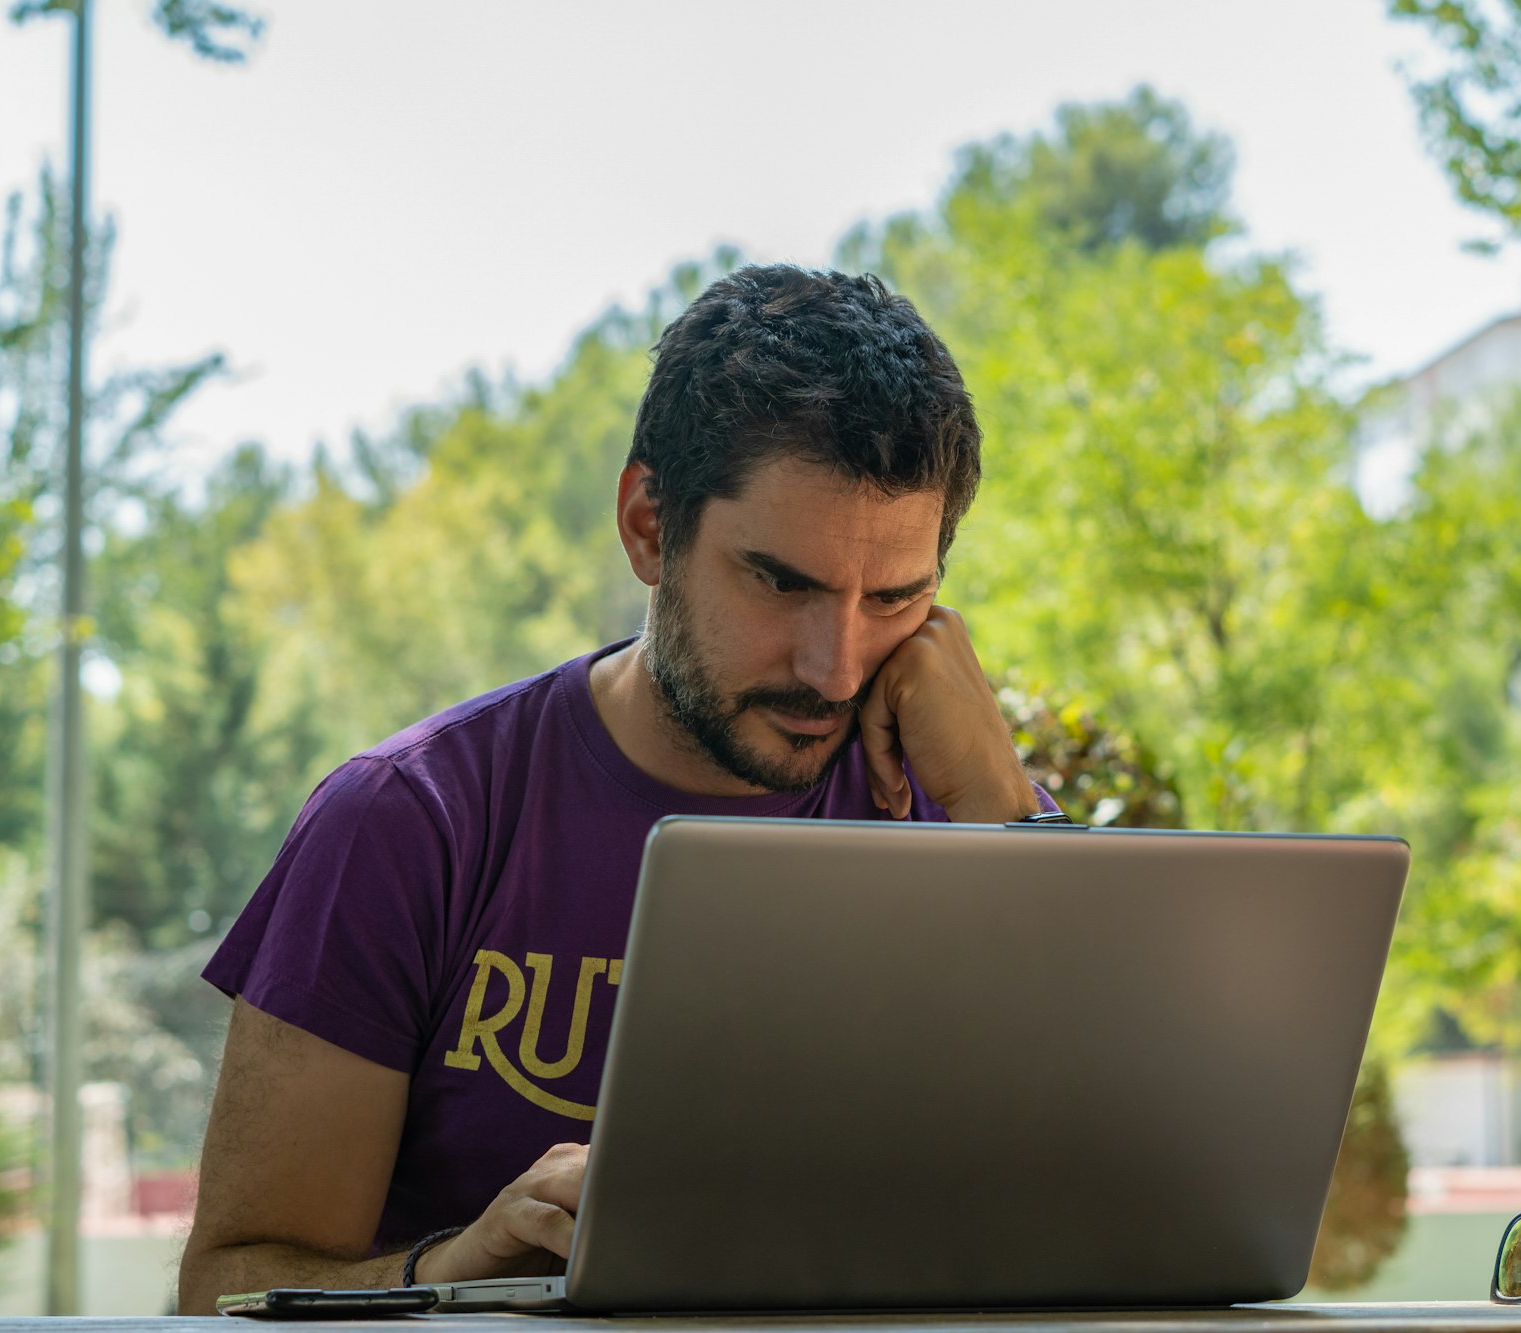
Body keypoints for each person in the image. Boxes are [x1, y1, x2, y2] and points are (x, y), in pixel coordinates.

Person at [175, 265, 1056, 1314]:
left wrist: (998, 805)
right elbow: (220, 1294)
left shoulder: (965, 819)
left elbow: (1109, 1214)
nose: (835, 665)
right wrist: (460, 1274)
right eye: (782, 582)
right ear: (648, 523)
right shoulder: (409, 822)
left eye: (895, 598)